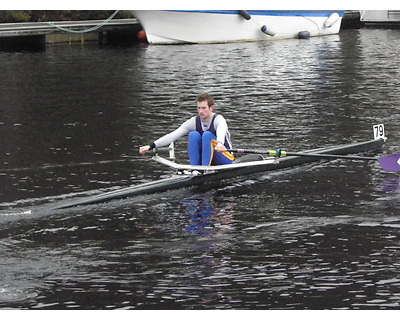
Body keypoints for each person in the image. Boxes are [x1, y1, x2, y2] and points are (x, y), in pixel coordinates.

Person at [139, 93, 234, 166]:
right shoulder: (193, 121)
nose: (200, 111)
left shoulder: (219, 120)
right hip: (208, 157)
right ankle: (195, 169)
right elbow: (173, 135)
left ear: (211, 108)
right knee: (193, 135)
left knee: (207, 135)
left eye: (204, 108)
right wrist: (151, 146)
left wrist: (220, 143)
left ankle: (204, 170)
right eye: (199, 108)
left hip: (224, 157)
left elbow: (221, 132)